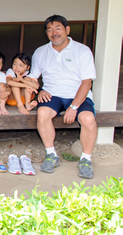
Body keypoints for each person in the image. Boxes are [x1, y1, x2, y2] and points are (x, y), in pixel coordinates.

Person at [30, 15, 97, 179]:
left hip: (78, 94)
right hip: (53, 94)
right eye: (50, 30)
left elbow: (86, 82)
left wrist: (73, 107)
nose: (54, 33)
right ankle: (51, 154)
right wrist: (39, 91)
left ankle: (86, 159)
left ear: (67, 30)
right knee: (43, 114)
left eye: (58, 28)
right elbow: (31, 78)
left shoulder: (82, 50)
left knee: (88, 119)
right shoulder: (41, 52)